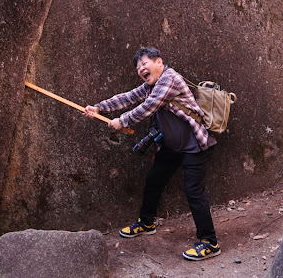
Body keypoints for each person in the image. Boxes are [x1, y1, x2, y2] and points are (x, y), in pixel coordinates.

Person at [83, 47, 220, 261]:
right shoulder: (150, 85)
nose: (141, 69)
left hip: (194, 145)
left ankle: (210, 242)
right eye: (138, 67)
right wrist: (99, 108)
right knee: (154, 180)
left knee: (194, 191)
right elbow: (127, 98)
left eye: (144, 64)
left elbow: (150, 106)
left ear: (159, 62)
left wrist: (123, 121)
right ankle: (147, 223)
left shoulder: (169, 79)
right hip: (172, 147)